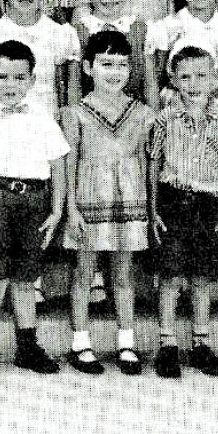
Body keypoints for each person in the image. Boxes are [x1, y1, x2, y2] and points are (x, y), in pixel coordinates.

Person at [0, 40, 70, 378]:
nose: (10, 85)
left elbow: (58, 163)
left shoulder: (43, 119)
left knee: (25, 278)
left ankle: (27, 346)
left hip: (34, 201)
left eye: (20, 78)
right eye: (2, 76)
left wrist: (57, 209)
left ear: (33, 81)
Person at [60, 29, 156, 375]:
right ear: (88, 68)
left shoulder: (142, 113)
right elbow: (69, 162)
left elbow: (147, 164)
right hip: (89, 199)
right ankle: (81, 342)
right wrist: (70, 207)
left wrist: (149, 207)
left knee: (123, 273)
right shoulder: (74, 113)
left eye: (121, 65)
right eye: (106, 64)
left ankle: (126, 341)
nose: (114, 72)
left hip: (129, 200)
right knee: (85, 271)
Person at [146, 45, 218, 379]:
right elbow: (154, 162)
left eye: (202, 75)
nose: (193, 82)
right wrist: (152, 206)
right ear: (172, 79)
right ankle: (168, 344)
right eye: (185, 76)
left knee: (202, 276)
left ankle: (201, 342)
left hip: (209, 202)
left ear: (216, 78)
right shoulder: (165, 118)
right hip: (174, 200)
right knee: (171, 275)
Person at [69, 0, 149, 104]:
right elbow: (74, 86)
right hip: (90, 118)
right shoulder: (76, 33)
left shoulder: (142, 30)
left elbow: (149, 84)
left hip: (132, 118)